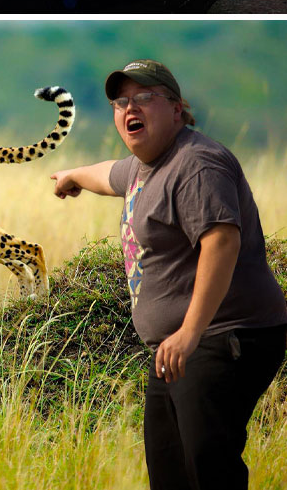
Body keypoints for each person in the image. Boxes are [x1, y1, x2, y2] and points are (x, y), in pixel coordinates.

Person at [51, 59, 286, 490]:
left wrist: (190, 332)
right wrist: (72, 176)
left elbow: (221, 242)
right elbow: (109, 174)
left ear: (177, 109)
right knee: (170, 471)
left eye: (144, 98)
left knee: (207, 469)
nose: (129, 108)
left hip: (224, 335)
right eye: (121, 101)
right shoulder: (147, 165)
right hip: (177, 346)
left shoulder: (196, 164)